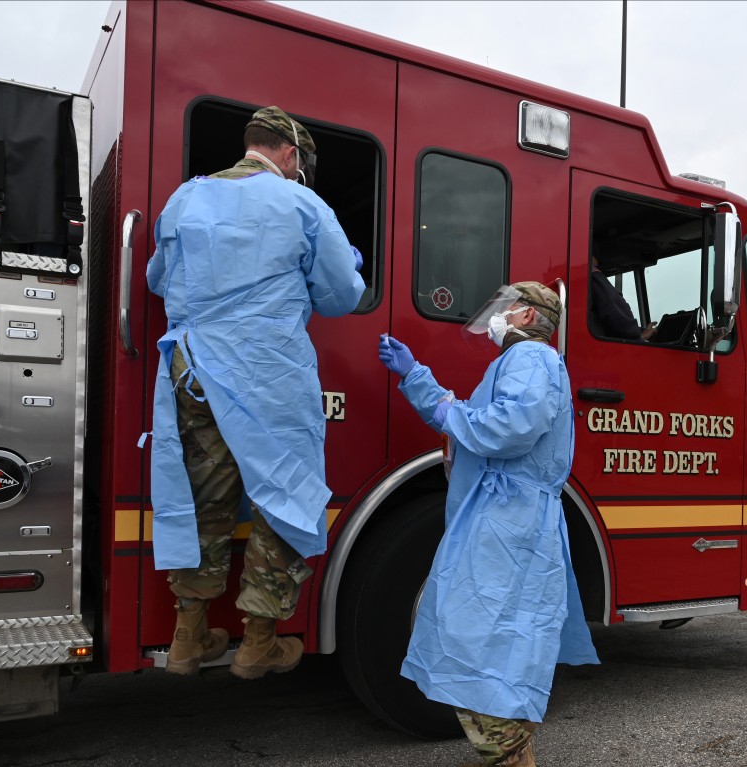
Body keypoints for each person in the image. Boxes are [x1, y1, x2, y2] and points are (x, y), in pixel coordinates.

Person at [147, 106, 367, 679]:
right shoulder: (301, 204)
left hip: (194, 372)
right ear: (290, 155)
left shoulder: (182, 200)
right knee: (284, 495)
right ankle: (258, 643)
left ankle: (188, 638)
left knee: (204, 501)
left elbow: (155, 280)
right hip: (269, 375)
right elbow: (342, 295)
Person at [378, 282, 599, 767]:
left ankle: (507, 754)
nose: (498, 317)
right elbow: (478, 416)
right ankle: (509, 751)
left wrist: (441, 406)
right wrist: (416, 376)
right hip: (503, 517)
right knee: (493, 640)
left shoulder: (532, 361)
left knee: (470, 638)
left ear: (524, 318)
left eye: (508, 309)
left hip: (507, 520)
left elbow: (508, 427)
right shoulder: (520, 364)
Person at [589, 260, 656, 340]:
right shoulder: (593, 274)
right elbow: (612, 309)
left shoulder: (584, 276)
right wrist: (637, 337)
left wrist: (640, 331)